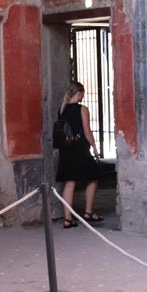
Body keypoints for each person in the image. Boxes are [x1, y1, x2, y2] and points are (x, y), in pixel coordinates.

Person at [55, 81, 103, 228]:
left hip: (66, 150)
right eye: (83, 93)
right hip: (79, 149)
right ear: (80, 93)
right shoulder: (82, 109)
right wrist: (95, 148)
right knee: (93, 177)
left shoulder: (62, 110)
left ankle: (68, 219)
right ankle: (88, 212)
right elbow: (87, 131)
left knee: (69, 183)